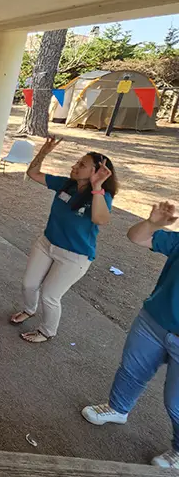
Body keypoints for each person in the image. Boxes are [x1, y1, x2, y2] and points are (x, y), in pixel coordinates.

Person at [81, 201, 179, 469]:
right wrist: (153, 224)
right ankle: (117, 408)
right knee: (132, 370)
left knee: (176, 403)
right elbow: (137, 237)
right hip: (154, 320)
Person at [10, 138, 116, 343]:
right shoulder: (66, 185)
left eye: (81, 165)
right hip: (47, 243)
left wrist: (96, 187)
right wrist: (43, 152)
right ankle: (29, 309)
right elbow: (33, 174)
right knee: (28, 284)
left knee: (50, 296)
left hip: (74, 256)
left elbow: (100, 219)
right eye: (77, 162)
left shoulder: (102, 195)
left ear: (97, 172)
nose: (74, 166)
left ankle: (47, 331)